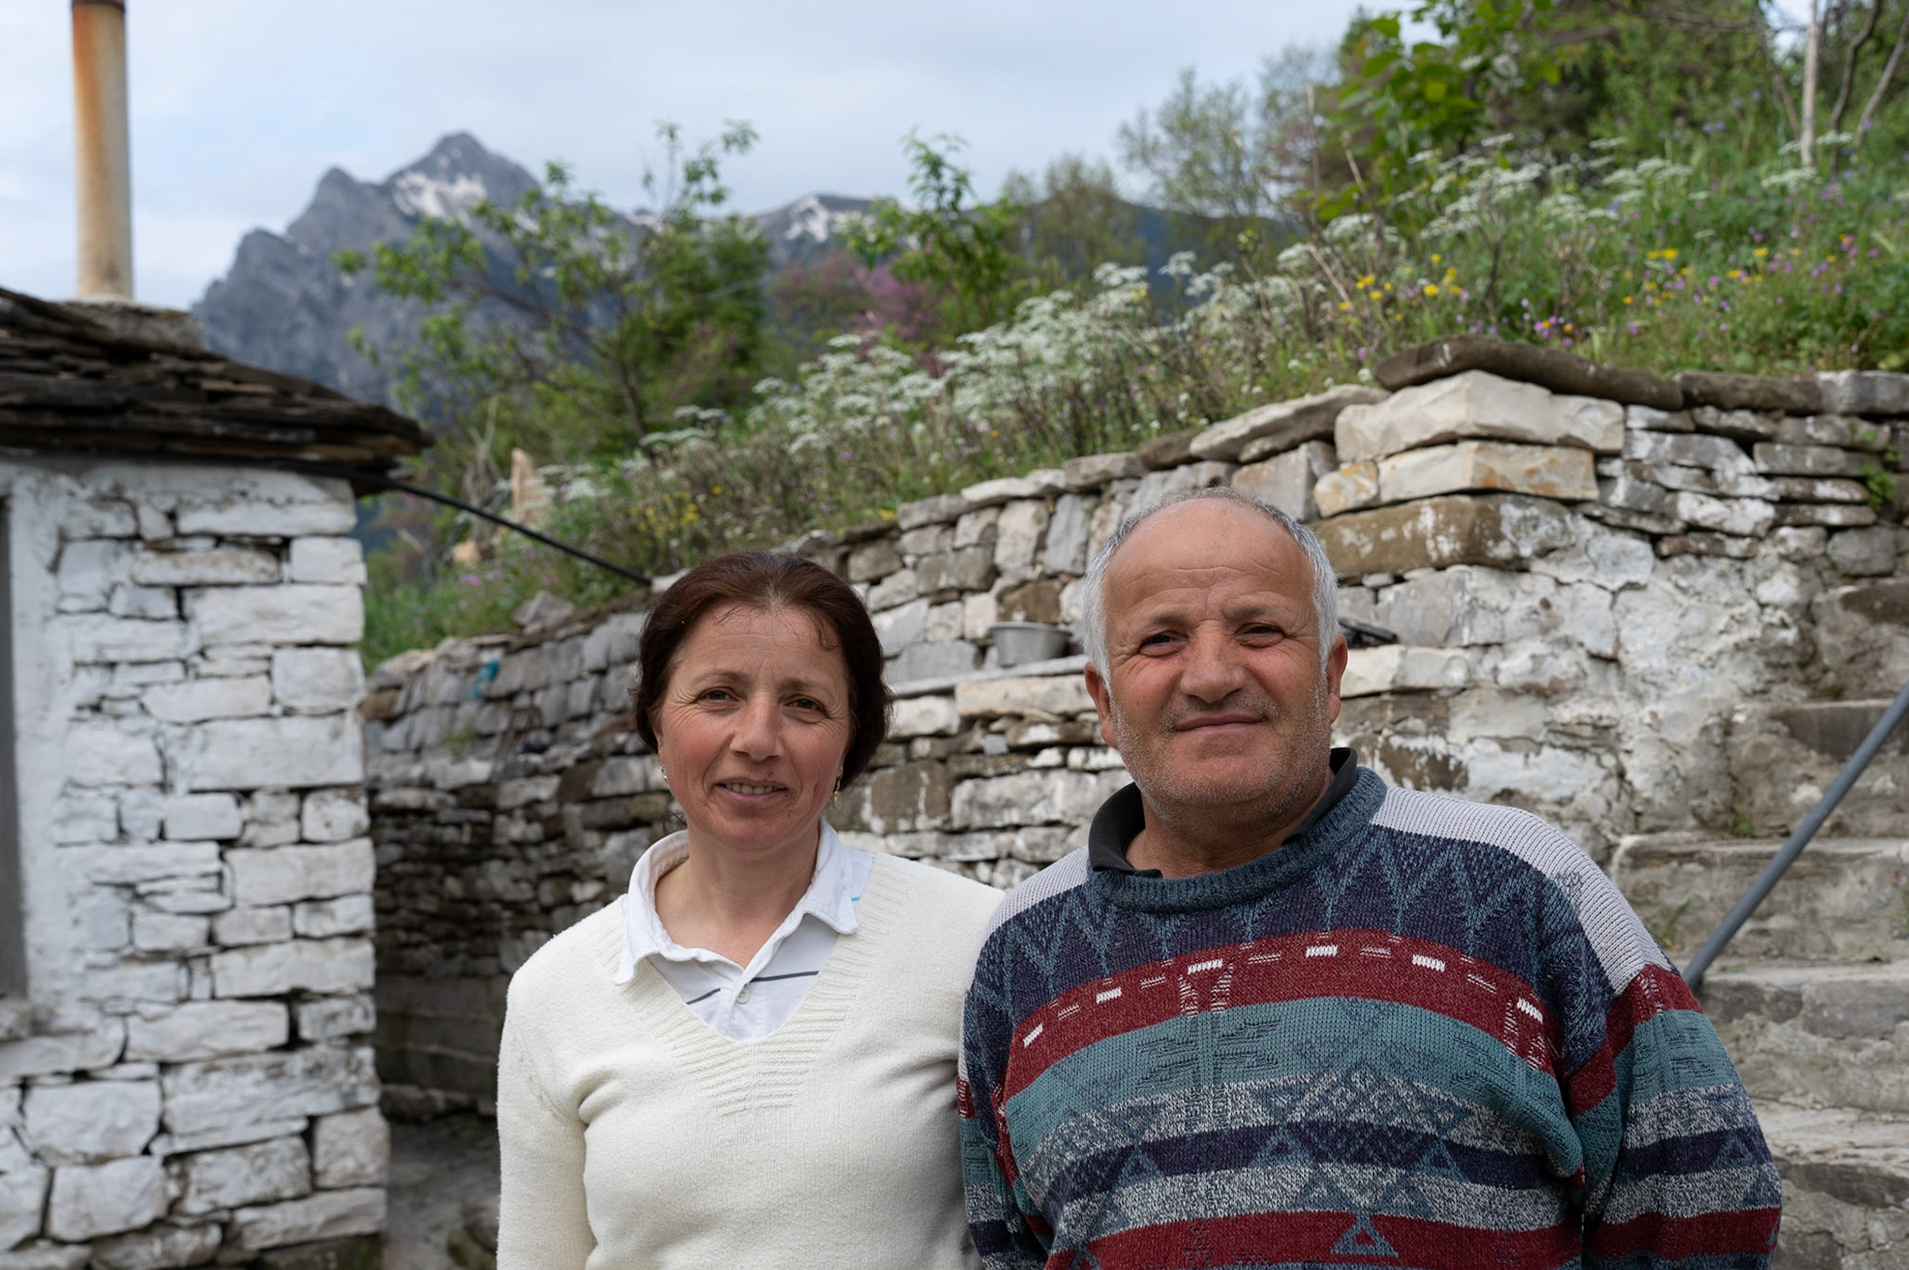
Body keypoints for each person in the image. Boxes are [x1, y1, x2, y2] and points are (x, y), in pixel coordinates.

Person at [959, 489, 1781, 1269]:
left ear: (1331, 673)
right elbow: (1007, 1247)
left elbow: (1707, 1209)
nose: (1211, 674)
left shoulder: (1520, 883)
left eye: (1259, 629)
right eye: (1161, 639)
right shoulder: (1019, 956)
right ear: (1103, 701)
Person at [498, 550, 1002, 1269]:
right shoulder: (556, 993)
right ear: (656, 726)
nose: (758, 740)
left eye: (804, 704)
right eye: (718, 696)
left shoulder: (971, 941)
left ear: (850, 740)